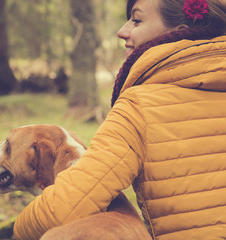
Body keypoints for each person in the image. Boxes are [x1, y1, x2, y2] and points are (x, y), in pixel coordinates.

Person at [13, 0, 226, 239]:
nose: (122, 31)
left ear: (181, 31)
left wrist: (17, 229)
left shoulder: (139, 107)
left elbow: (64, 208)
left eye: (136, 20)